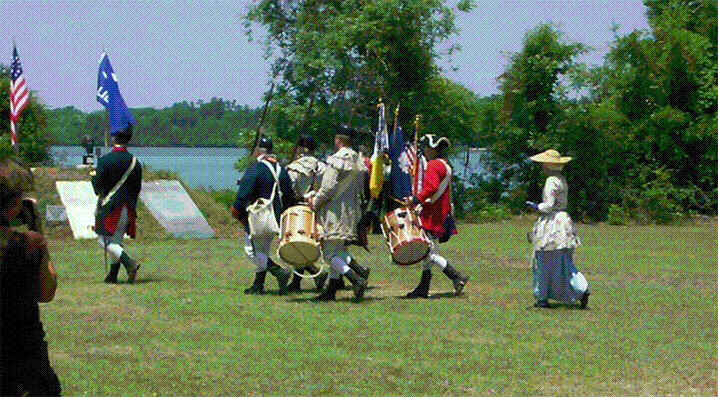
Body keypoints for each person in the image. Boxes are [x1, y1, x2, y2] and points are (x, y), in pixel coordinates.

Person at [1, 156, 62, 396]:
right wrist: (36, 231)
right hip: (22, 362)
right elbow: (46, 293)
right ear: (17, 201)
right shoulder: (29, 244)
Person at [308, 125, 369, 301]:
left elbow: (327, 188)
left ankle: (355, 279)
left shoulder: (336, 159)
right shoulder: (359, 161)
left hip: (335, 211)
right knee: (338, 249)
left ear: (338, 140)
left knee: (328, 253)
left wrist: (315, 202)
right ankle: (331, 290)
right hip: (351, 211)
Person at [403, 134, 469, 298]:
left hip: (432, 213)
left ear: (432, 149)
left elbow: (431, 188)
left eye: (426, 148)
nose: (424, 151)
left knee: (429, 253)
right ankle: (423, 287)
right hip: (440, 212)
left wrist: (415, 199)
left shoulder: (433, 165)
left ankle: (456, 277)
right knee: (429, 249)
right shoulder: (445, 165)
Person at [232, 135, 295, 294]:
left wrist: (236, 210)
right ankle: (258, 285)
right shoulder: (282, 170)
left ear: (258, 151)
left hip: (259, 217)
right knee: (263, 251)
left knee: (251, 250)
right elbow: (288, 196)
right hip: (276, 218)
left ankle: (279, 272)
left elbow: (243, 194)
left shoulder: (255, 169)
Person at [526, 149, 589, 309]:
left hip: (552, 223)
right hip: (563, 221)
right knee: (564, 261)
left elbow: (548, 206)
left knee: (543, 262)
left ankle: (542, 298)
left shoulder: (551, 182)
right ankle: (581, 287)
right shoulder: (562, 180)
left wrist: (535, 206)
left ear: (547, 165)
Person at [92, 125, 142, 284]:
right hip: (128, 207)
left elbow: (97, 185)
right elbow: (137, 187)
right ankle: (113, 275)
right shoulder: (136, 162)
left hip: (111, 207)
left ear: (114, 139)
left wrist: (94, 179)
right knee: (116, 241)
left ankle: (129, 263)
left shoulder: (105, 160)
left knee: (103, 239)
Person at [284, 134, 327, 292]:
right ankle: (298, 281)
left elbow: (290, 189)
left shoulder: (295, 167)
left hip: (298, 207)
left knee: (297, 244)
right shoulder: (321, 166)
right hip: (316, 207)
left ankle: (313, 274)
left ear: (301, 148)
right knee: (304, 244)